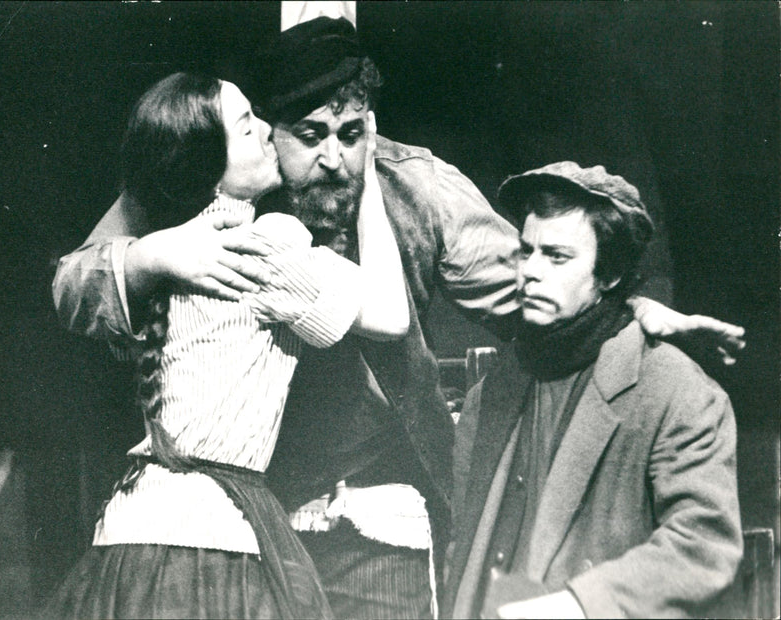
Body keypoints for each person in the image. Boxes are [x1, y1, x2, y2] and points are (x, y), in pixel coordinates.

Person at [51, 17, 745, 620]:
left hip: (374, 517)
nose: (334, 158)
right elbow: (75, 281)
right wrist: (151, 257)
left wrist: (632, 312)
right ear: (262, 132)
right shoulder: (218, 170)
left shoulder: (418, 186)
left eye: (352, 134)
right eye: (310, 134)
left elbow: (538, 291)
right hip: (238, 521)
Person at [47, 71, 409, 619]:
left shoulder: (177, 235)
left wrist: (149, 254)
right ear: (210, 171)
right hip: (210, 537)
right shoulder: (266, 246)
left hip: (132, 527)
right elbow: (391, 314)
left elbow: (78, 283)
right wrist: (373, 171)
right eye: (246, 128)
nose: (266, 130)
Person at [444, 162, 742, 619]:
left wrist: (580, 605)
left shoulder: (675, 390)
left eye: (558, 257)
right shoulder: (494, 390)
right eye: (527, 251)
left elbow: (703, 543)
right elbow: (463, 547)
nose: (532, 272)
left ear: (610, 275)